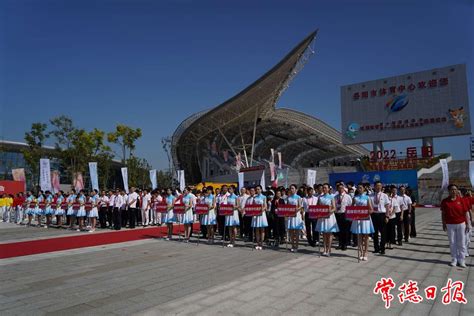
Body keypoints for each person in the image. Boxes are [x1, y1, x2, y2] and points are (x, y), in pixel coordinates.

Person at [441, 184, 471, 268]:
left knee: (461, 242)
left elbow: (466, 213)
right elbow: (443, 213)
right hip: (450, 224)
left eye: (455, 189)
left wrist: (468, 224)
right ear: (449, 191)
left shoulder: (461, 200)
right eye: (451, 189)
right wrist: (443, 223)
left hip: (461, 224)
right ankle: (454, 259)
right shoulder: (445, 201)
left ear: (457, 190)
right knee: (452, 242)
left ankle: (462, 260)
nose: (453, 191)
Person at [350, 184, 375, 261]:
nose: (359, 189)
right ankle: (361, 252)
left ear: (364, 189)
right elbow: (351, 207)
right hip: (357, 219)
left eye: (361, 187)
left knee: (366, 236)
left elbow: (371, 209)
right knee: (359, 236)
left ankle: (365, 252)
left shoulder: (367, 197)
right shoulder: (355, 198)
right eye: (358, 188)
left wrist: (366, 213)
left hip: (365, 219)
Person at [315, 183, 338, 256]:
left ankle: (329, 249)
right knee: (324, 233)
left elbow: (334, 208)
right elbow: (317, 207)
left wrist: (328, 212)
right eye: (323, 188)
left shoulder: (331, 197)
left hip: (329, 217)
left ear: (328, 189)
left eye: (325, 188)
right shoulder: (320, 197)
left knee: (329, 233)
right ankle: (324, 248)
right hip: (322, 217)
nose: (324, 189)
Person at [369, 181, 390, 255]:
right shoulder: (370, 196)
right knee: (374, 233)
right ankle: (376, 248)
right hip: (373, 215)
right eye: (377, 186)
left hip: (382, 215)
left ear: (381, 187)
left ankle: (382, 248)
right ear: (374, 187)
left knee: (383, 232)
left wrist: (387, 216)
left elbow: (387, 206)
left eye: (380, 186)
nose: (378, 187)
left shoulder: (384, 195)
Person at [335, 183, 352, 250]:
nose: (340, 189)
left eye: (341, 188)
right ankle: (340, 243)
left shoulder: (347, 196)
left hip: (345, 214)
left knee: (345, 230)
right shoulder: (335, 197)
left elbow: (350, 206)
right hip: (338, 214)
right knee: (339, 230)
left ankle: (345, 244)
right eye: (339, 188)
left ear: (344, 188)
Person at [286, 184, 303, 252]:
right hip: (290, 215)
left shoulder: (298, 197)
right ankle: (292, 245)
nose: (291, 190)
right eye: (290, 188)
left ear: (296, 189)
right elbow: (287, 206)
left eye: (293, 188)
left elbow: (300, 206)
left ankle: (296, 245)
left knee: (296, 231)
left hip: (296, 215)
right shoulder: (288, 197)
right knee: (291, 231)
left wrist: (295, 210)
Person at [250, 185, 268, 250]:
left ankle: (261, 243)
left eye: (258, 189)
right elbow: (252, 206)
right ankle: (257, 243)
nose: (257, 190)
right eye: (256, 189)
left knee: (262, 229)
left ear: (261, 189)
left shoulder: (264, 197)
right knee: (257, 229)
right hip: (255, 214)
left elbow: (265, 206)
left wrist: (260, 210)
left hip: (261, 214)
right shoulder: (254, 197)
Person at [386, 186, 400, 250]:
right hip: (385, 217)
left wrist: (391, 213)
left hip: (392, 217)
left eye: (388, 193)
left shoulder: (393, 199)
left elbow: (395, 207)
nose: (387, 194)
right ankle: (386, 243)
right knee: (386, 231)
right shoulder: (383, 199)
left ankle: (391, 243)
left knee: (392, 231)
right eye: (386, 193)